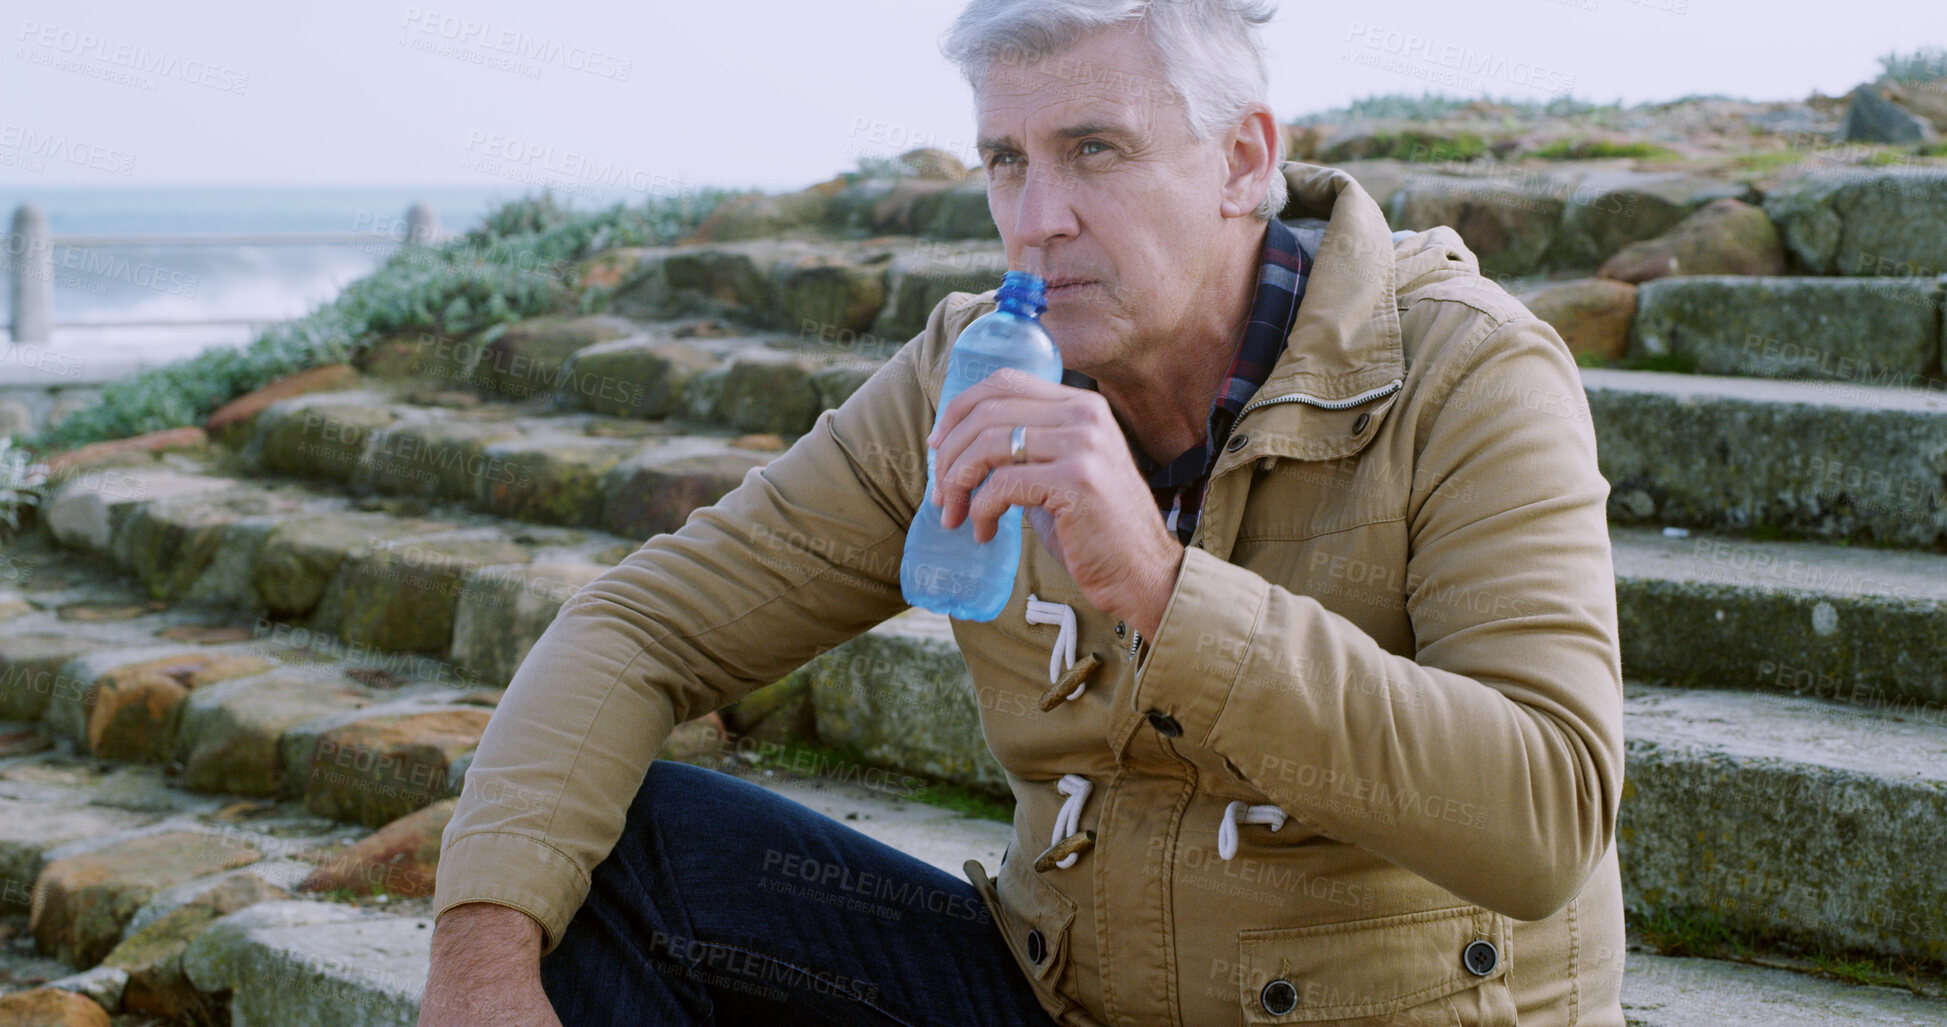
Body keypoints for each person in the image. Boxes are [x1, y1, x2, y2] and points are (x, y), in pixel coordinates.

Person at [418, 0, 1627, 1024]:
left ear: (1246, 160)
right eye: (1006, 158)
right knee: (625, 852)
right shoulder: (977, 368)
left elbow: (1546, 816)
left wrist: (1161, 583)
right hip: (1065, 996)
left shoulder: (1471, 372)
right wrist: (480, 970)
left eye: (1094, 148)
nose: (1036, 214)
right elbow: (641, 627)